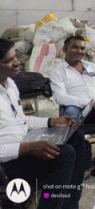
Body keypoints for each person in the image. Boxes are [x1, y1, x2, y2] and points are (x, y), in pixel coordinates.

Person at [0, 38, 85, 209]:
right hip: (7, 162)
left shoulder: (10, 85)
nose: (17, 63)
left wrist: (52, 121)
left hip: (25, 141)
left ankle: (69, 203)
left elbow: (21, 120)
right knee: (64, 154)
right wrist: (27, 148)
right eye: (8, 61)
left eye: (15, 57)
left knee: (76, 136)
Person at [50, 36, 95, 182]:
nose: (79, 51)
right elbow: (59, 97)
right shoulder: (58, 71)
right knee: (70, 119)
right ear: (65, 49)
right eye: (75, 47)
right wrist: (90, 103)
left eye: (82, 48)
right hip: (76, 107)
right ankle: (84, 153)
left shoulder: (91, 67)